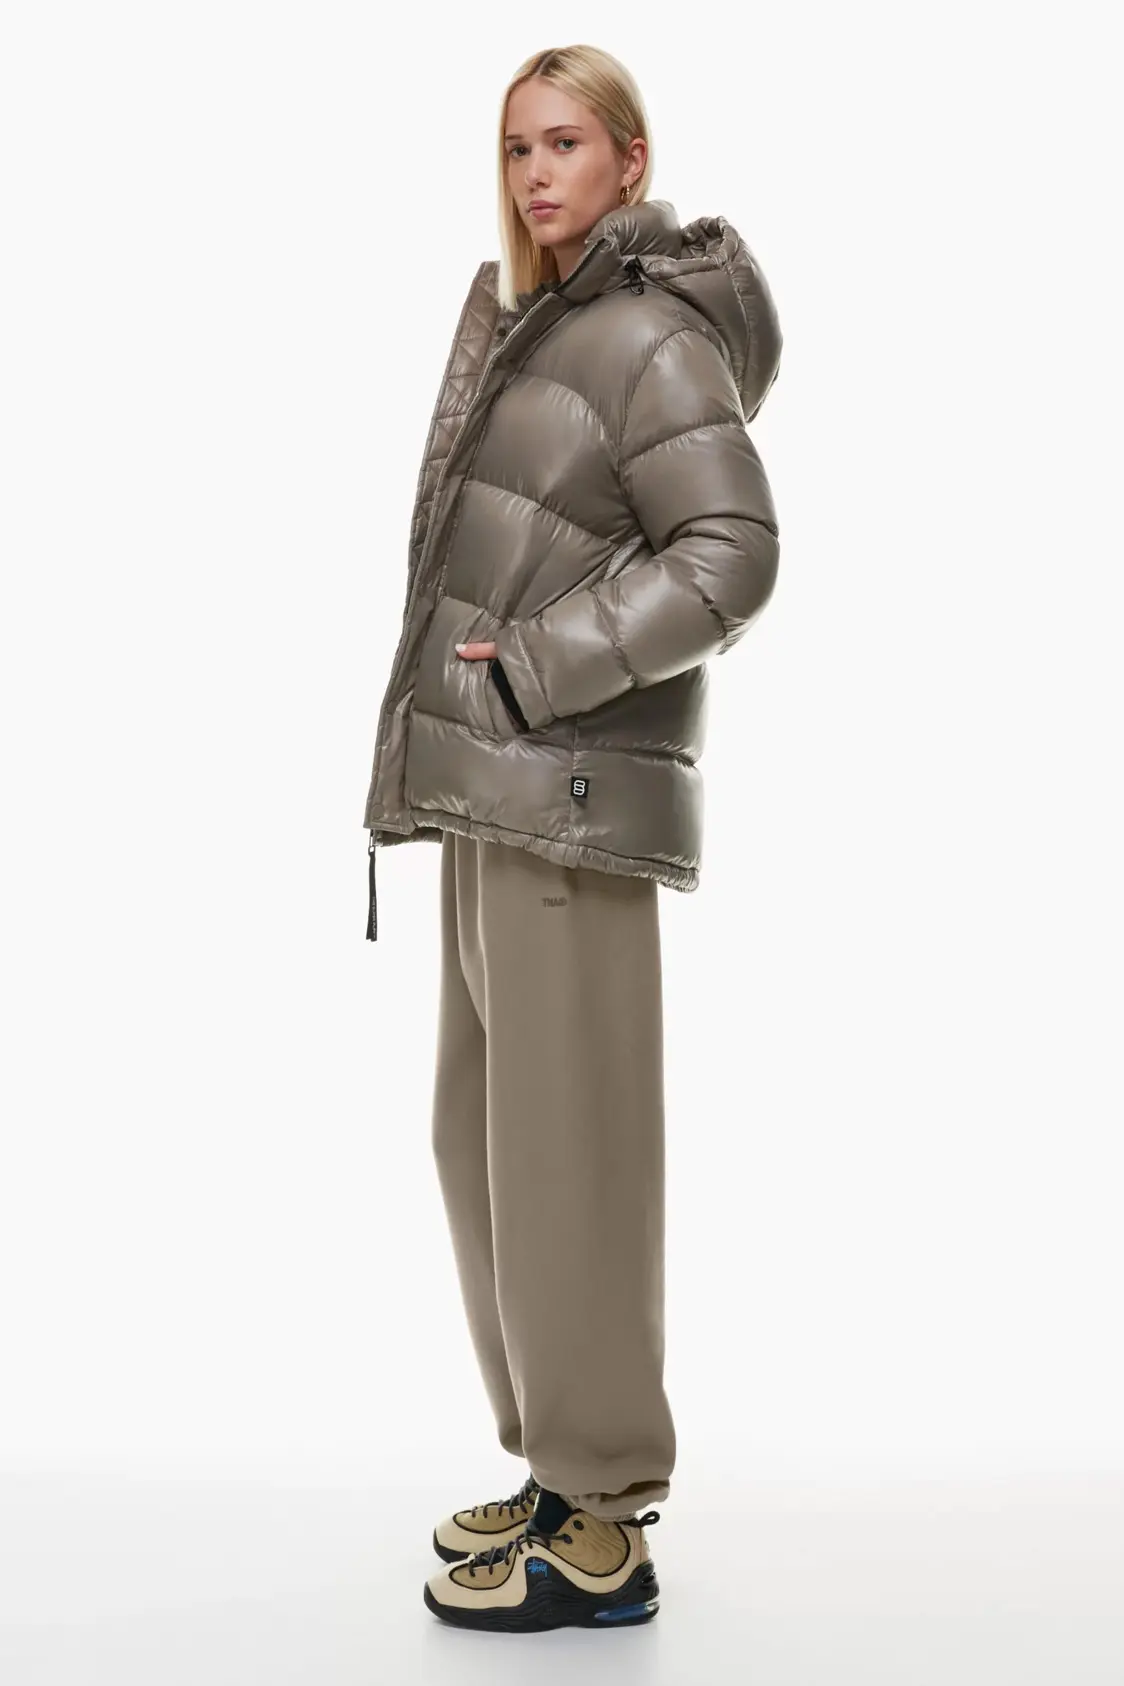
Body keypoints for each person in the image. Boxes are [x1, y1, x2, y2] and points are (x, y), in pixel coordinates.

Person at [360, 42, 782, 1633]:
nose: (537, 175)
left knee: (571, 1158)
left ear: (629, 158)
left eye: (564, 145)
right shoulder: (551, 319)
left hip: (569, 803)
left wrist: (538, 668)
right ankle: (560, 1469)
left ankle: (604, 1519)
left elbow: (732, 550)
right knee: (485, 1148)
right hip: (498, 793)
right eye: (516, 148)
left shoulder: (647, 337)